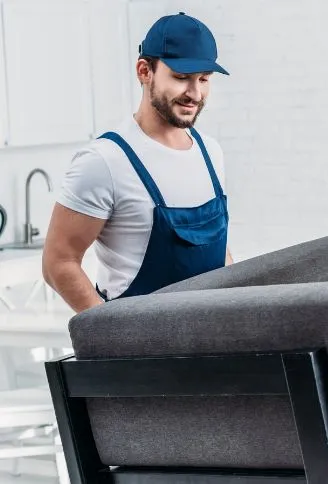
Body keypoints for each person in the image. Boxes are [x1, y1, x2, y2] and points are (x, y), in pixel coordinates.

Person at [42, 12, 233, 313]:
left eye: (204, 79)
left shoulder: (210, 153)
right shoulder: (105, 161)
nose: (195, 93)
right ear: (145, 71)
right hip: (140, 353)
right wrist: (111, 335)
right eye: (182, 78)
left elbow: (218, 254)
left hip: (211, 343)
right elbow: (58, 263)